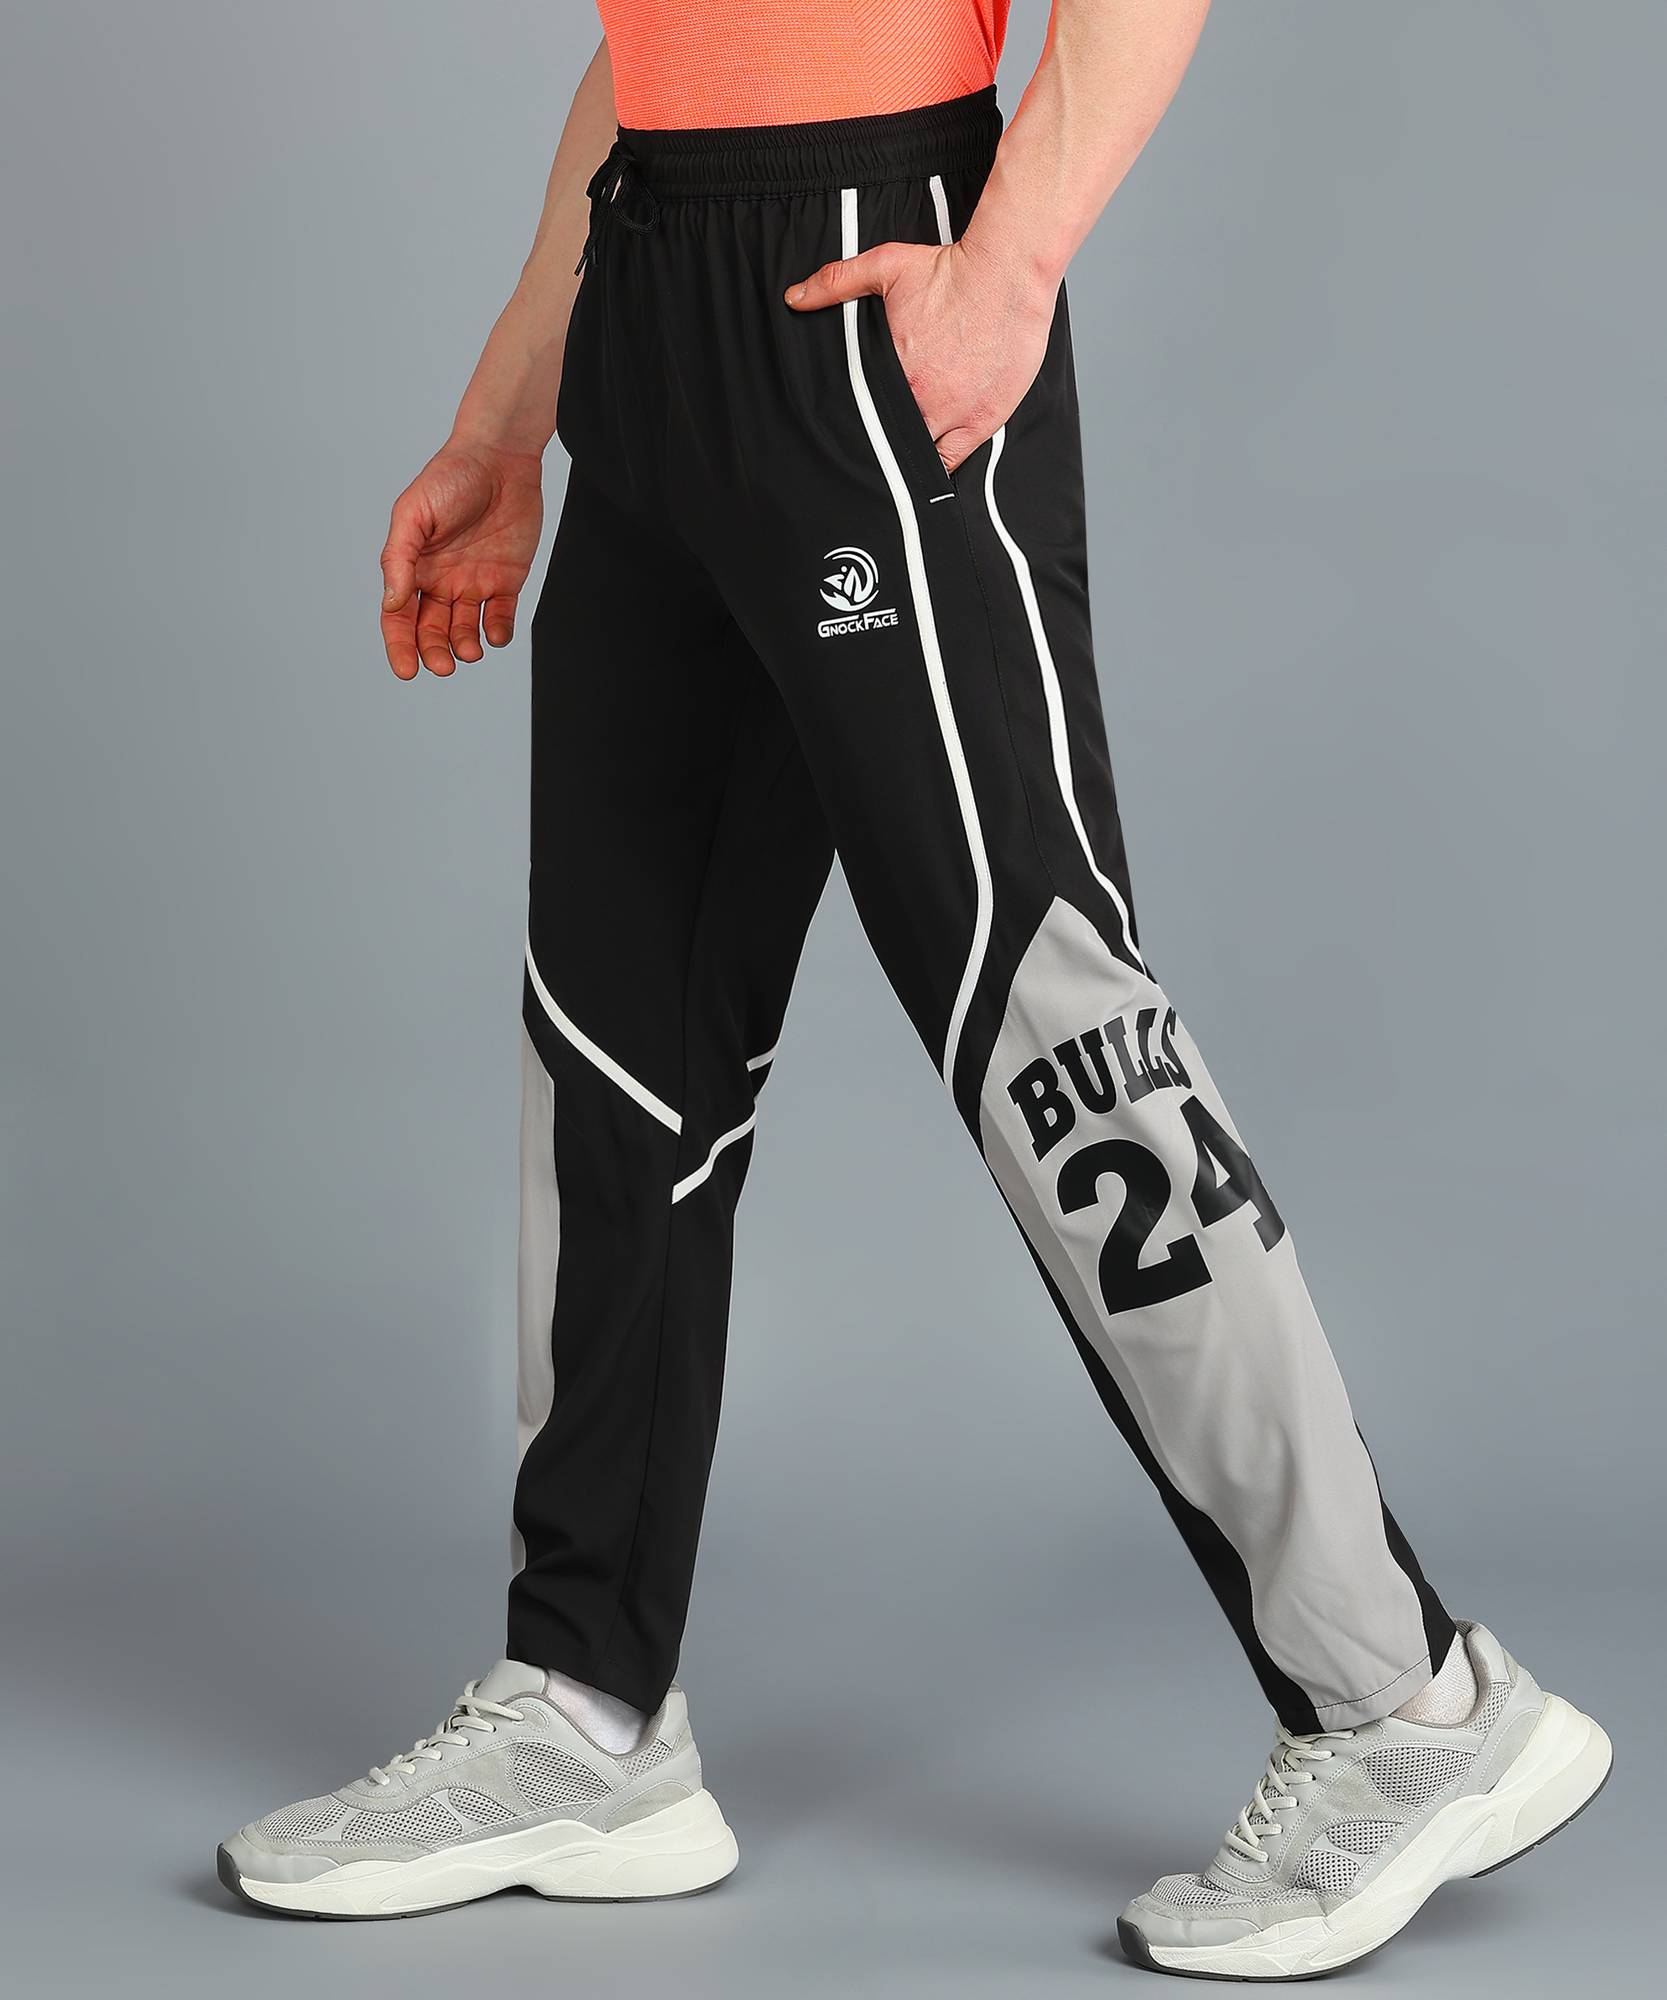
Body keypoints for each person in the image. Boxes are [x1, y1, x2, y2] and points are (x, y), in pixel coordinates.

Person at [217, 1, 1611, 1973]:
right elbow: (653, 49)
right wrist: (508, 411)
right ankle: (583, 1708)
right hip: (653, 297)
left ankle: (1406, 1702)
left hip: (870, 293)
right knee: (613, 1043)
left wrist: (1009, 264)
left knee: (1048, 1019)